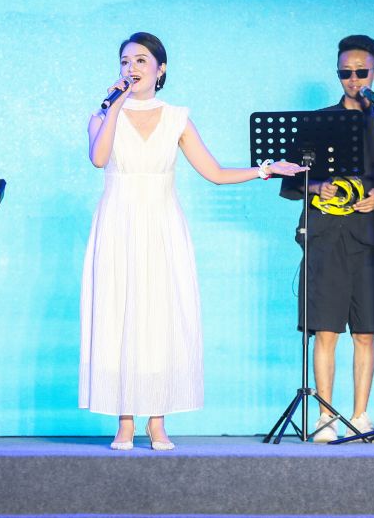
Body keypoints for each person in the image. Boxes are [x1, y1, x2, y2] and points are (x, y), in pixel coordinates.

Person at [80, 32, 306, 450]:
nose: (131, 68)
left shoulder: (176, 117)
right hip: (117, 224)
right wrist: (114, 106)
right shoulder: (103, 114)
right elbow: (98, 158)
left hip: (162, 225)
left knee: (160, 318)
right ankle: (124, 420)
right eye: (125, 61)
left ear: (160, 68)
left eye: (141, 60)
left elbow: (214, 172)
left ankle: (157, 420)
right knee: (119, 315)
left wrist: (265, 169)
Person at [279, 34, 374, 443]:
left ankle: (361, 415)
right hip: (326, 236)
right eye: (345, 73)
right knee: (325, 330)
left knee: (365, 332)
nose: (353, 80)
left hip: (370, 239)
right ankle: (325, 416)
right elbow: (292, 180)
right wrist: (317, 187)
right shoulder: (318, 122)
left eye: (361, 72)